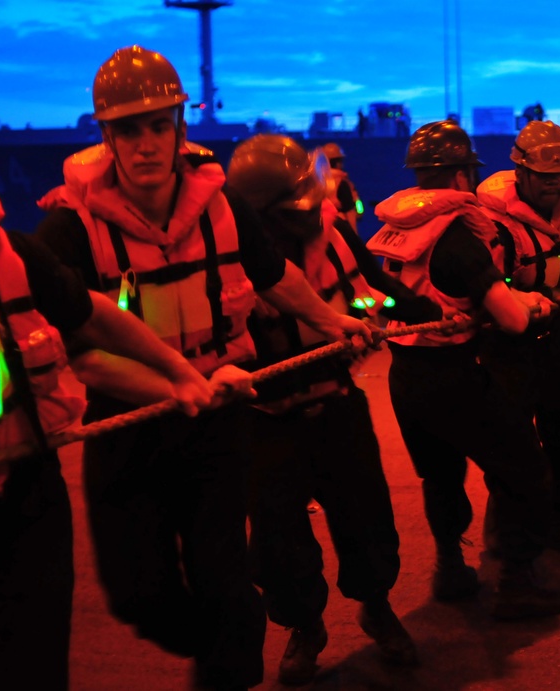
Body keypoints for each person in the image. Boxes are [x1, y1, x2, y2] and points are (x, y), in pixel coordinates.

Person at [34, 46, 371, 690]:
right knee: (137, 593)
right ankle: (215, 641)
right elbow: (84, 354)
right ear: (106, 138)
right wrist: (177, 384)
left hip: (219, 418)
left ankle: (229, 674)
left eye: (159, 125)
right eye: (128, 130)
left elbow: (275, 279)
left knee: (222, 573)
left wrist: (339, 323)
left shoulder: (220, 207)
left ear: (181, 127)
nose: (146, 145)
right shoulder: (70, 230)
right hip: (128, 423)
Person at [0, 75, 219, 691]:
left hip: (27, 503)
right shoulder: (63, 231)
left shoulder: (10, 256)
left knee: (29, 670)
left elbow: (91, 314)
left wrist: (180, 373)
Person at [225, 136, 434, 684]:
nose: (309, 215)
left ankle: (377, 605)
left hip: (337, 404)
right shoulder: (229, 261)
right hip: (266, 421)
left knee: (366, 518)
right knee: (276, 544)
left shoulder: (333, 227)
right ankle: (305, 626)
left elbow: (374, 279)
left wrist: (431, 309)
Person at [367, 120, 560, 621]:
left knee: (441, 475)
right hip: (452, 375)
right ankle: (517, 581)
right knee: (524, 467)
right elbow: (512, 319)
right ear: (461, 177)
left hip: (404, 378)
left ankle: (451, 568)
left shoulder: (397, 230)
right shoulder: (458, 237)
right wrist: (539, 305)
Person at [475, 120, 560, 556]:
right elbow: (488, 287)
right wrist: (542, 298)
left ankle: (557, 515)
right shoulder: (491, 221)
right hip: (509, 345)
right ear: (520, 173)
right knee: (512, 445)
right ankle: (509, 535)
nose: (554, 185)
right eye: (544, 177)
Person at [322, 142, 363, 233]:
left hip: (322, 228)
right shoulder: (342, 182)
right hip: (341, 226)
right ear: (338, 163)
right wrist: (354, 236)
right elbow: (350, 209)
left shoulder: (316, 181)